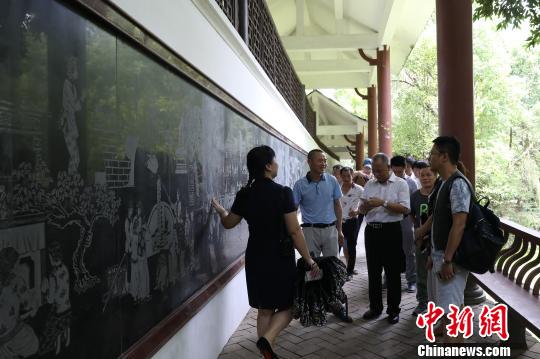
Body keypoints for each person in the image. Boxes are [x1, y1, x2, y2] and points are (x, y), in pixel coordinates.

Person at [211, 145, 319, 359]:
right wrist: (309, 259)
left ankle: (266, 354)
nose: (277, 164)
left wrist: (221, 210)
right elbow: (295, 231)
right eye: (275, 161)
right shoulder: (283, 193)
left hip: (256, 257)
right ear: (268, 166)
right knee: (289, 305)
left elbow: (229, 222)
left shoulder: (245, 194)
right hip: (280, 256)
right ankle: (267, 340)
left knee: (265, 308)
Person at [415, 136, 472, 343]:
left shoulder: (457, 184)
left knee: (453, 318)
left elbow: (459, 224)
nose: (429, 157)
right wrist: (432, 252)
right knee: (448, 313)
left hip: (452, 259)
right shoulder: (444, 183)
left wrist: (448, 260)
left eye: (432, 154)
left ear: (444, 157)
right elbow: (440, 218)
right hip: (440, 254)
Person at [293, 149, 351, 322]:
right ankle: (314, 306)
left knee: (333, 270)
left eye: (325, 160)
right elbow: (293, 209)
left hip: (330, 230)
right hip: (309, 231)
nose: (324, 163)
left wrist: (339, 229)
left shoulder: (332, 180)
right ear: (309, 162)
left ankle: (335, 305)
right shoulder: (300, 185)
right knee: (312, 270)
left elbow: (338, 206)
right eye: (320, 160)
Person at [360, 153, 410, 324]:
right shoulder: (369, 184)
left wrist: (383, 203)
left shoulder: (401, 184)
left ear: (388, 168)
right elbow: (361, 209)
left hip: (391, 231)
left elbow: (405, 209)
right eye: (374, 171)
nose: (377, 174)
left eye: (380, 171)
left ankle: (393, 310)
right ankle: (375, 307)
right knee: (373, 272)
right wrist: (365, 206)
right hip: (372, 232)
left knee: (392, 273)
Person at [409, 161, 437, 316]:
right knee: (421, 270)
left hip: (438, 238)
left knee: (436, 270)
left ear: (435, 176)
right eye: (422, 175)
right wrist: (418, 229)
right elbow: (411, 214)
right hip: (421, 240)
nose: (425, 178)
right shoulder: (415, 196)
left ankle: (436, 303)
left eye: (429, 175)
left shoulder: (439, 193)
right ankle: (422, 302)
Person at [390, 155, 417, 293]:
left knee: (409, 251)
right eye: (395, 172)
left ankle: (411, 280)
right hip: (390, 220)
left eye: (400, 172)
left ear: (405, 168)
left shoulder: (411, 183)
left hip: (406, 220)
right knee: (389, 251)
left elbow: (414, 204)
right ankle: (388, 278)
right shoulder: (387, 183)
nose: (398, 174)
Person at [339, 167, 364, 279]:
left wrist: (358, 211)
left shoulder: (359, 189)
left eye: (348, 176)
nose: (345, 178)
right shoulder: (336, 188)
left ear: (352, 175)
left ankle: (349, 271)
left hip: (352, 222)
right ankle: (336, 270)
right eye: (343, 176)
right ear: (340, 176)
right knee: (337, 246)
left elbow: (366, 204)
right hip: (338, 221)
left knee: (351, 246)